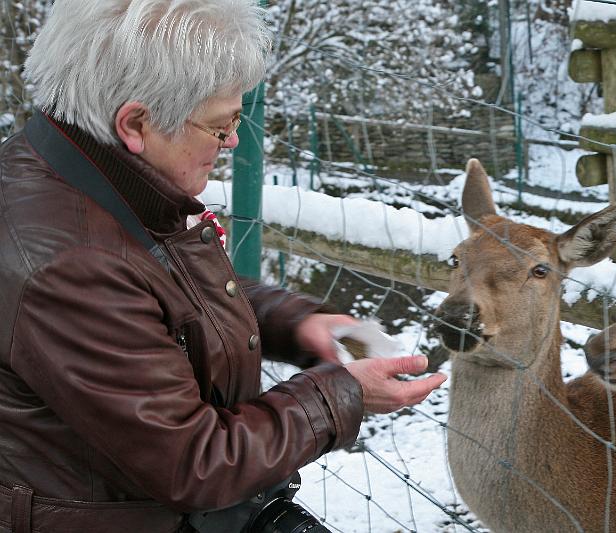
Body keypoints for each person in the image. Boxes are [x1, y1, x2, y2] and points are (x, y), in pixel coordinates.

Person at [0, 1, 446, 531]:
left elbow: (154, 292)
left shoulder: (77, 172)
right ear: (136, 122)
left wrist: (294, 323)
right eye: (220, 124)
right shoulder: (68, 263)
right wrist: (343, 394)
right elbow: (194, 462)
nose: (234, 139)